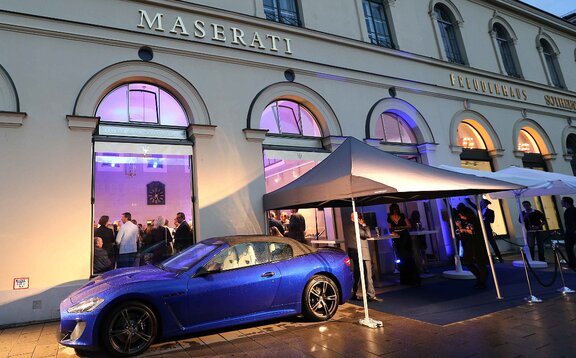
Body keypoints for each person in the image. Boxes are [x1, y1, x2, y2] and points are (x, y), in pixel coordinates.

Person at [344, 212, 382, 302]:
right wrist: (364, 225)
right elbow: (367, 235)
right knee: (368, 274)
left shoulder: (347, 226)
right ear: (359, 219)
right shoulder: (357, 226)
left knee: (356, 274)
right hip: (362, 252)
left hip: (352, 252)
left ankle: (353, 292)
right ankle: (371, 295)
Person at [456, 203, 489, 289]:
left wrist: (461, 229)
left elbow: (472, 231)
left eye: (460, 213)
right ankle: (480, 278)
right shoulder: (465, 221)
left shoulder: (471, 220)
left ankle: (482, 280)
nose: (459, 215)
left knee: (479, 262)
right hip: (469, 244)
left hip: (475, 244)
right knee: (469, 262)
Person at [388, 204, 420, 285]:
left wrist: (402, 227)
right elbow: (390, 228)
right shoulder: (389, 217)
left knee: (408, 256)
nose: (395, 211)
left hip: (405, 236)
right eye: (393, 210)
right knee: (401, 258)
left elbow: (409, 225)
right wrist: (393, 232)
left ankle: (413, 278)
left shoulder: (402, 215)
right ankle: (405, 278)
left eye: (396, 209)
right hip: (397, 237)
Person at [466, 198, 503, 263]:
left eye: (482, 202)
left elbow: (492, 221)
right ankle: (487, 258)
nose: (481, 203)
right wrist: (468, 200)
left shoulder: (491, 211)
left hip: (487, 229)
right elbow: (472, 205)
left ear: (485, 204)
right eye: (481, 203)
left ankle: (499, 257)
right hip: (480, 230)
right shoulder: (479, 210)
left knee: (493, 244)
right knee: (483, 244)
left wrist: (485, 219)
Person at [561, 197, 576, 270]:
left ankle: (572, 264)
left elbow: (571, 222)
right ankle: (572, 264)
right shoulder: (571, 210)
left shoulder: (570, 211)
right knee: (569, 248)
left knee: (569, 248)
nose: (561, 202)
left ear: (566, 202)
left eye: (562, 201)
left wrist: (572, 231)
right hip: (570, 232)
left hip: (571, 233)